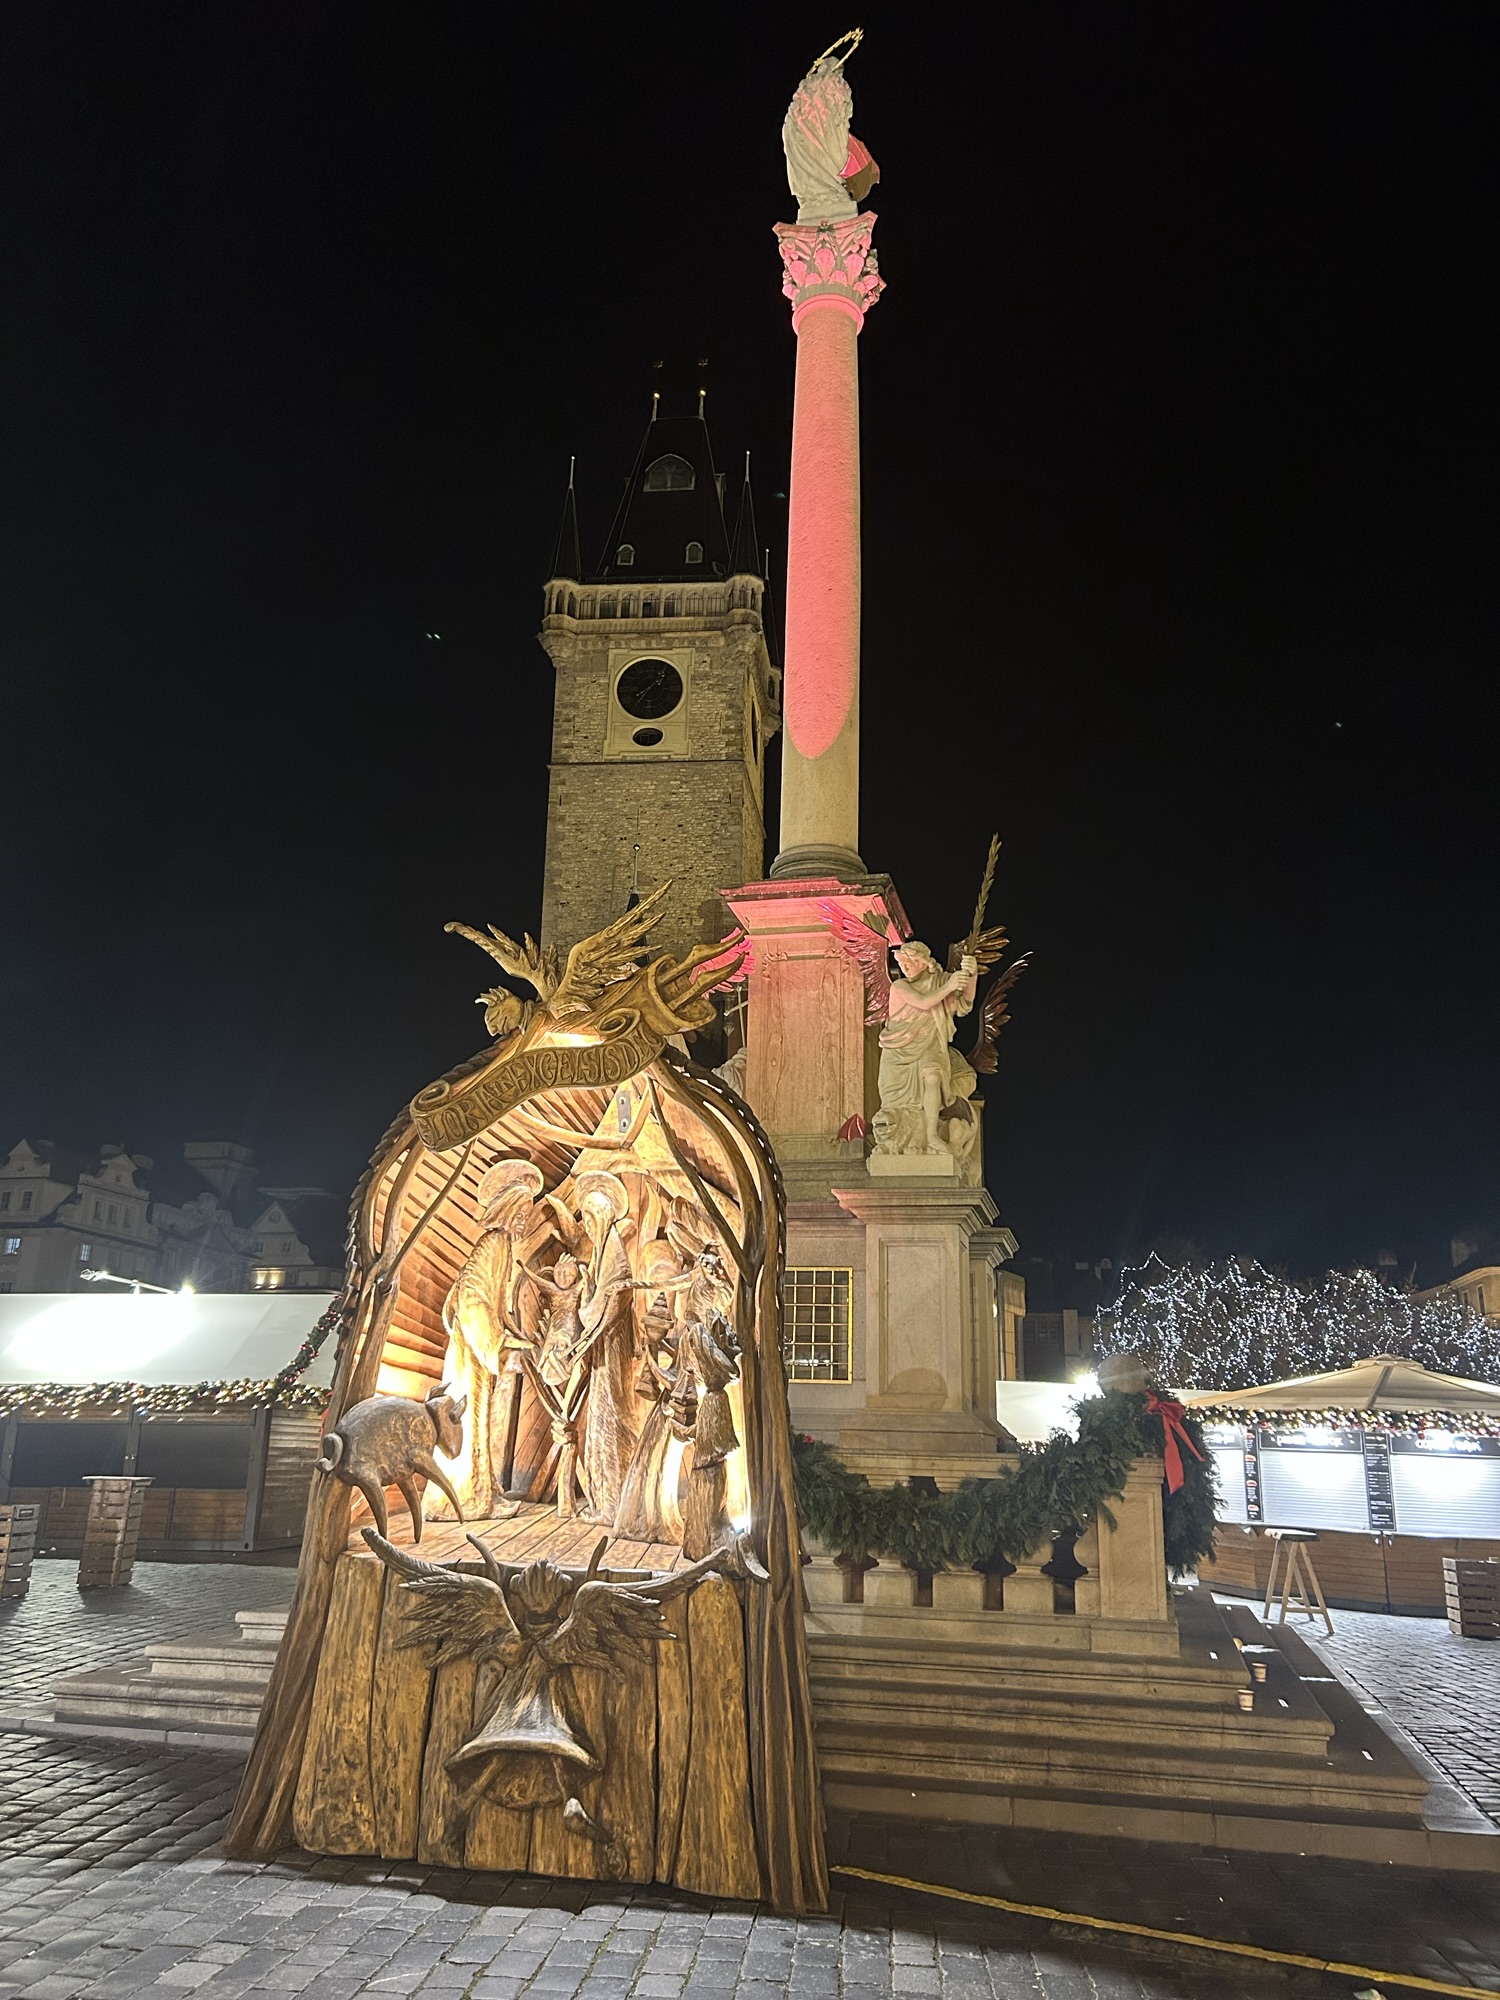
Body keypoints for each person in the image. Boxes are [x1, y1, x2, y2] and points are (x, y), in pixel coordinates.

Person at [874, 941, 978, 1156]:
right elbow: (923, 1002)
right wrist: (950, 985)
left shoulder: (939, 981)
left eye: (908, 963)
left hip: (930, 1044)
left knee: (933, 1078)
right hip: (898, 1050)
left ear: (922, 962)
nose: (904, 968)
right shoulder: (900, 986)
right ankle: (901, 1141)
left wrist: (972, 976)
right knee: (895, 1103)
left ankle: (931, 1135)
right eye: (901, 964)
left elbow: (963, 1006)